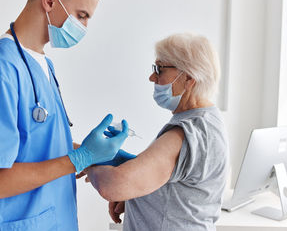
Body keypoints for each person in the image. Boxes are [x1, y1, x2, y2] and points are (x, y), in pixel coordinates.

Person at [0, 0, 129, 230]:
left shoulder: (42, 65)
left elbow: (34, 146)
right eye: (81, 16)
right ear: (50, 1)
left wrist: (94, 153)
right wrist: (78, 159)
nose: (83, 27)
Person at [80, 33, 229, 231]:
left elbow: (114, 186)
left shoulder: (186, 133)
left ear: (188, 78)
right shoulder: (208, 119)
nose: (152, 77)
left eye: (159, 69)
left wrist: (86, 161)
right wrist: (140, 196)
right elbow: (174, 179)